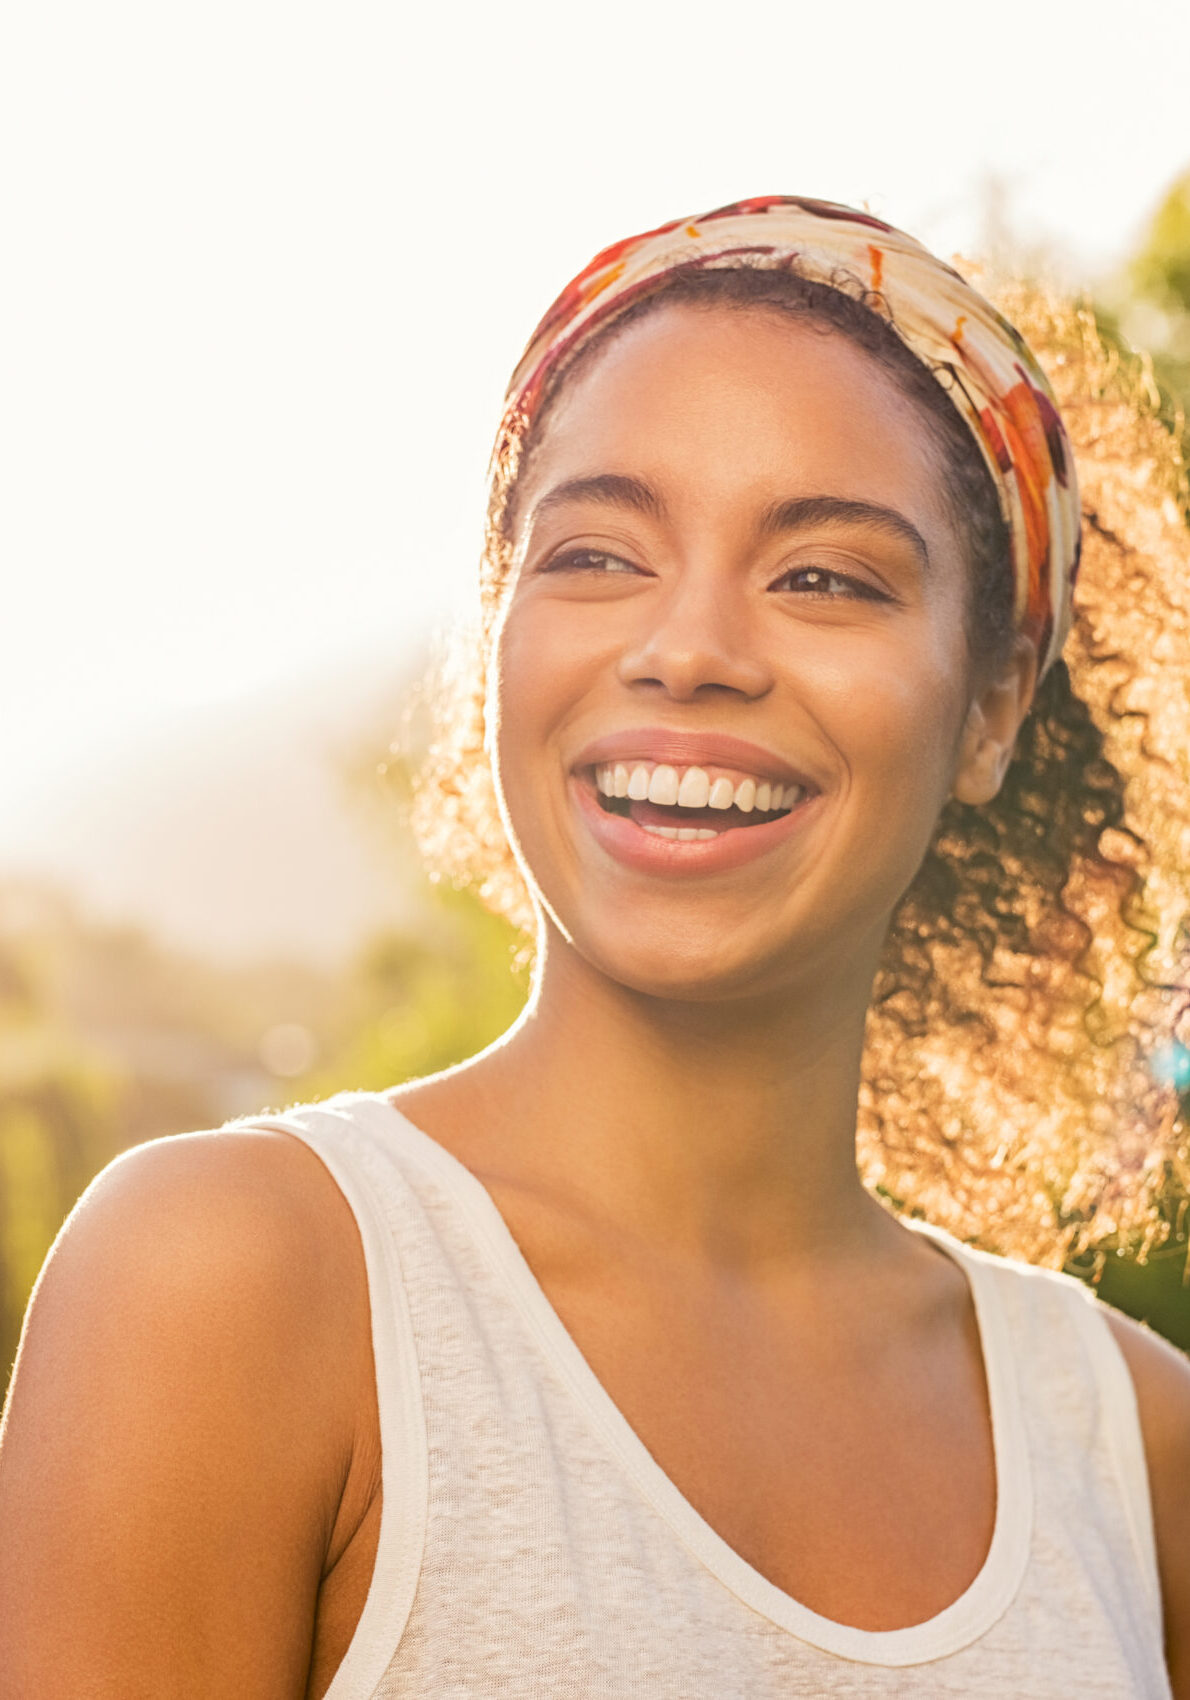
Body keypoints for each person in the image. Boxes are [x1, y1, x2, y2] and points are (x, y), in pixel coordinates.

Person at [1, 195, 1189, 1698]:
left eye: (823, 576)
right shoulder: (237, 1284)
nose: (687, 648)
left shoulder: (1136, 1454)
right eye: (595, 555)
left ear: (995, 702)